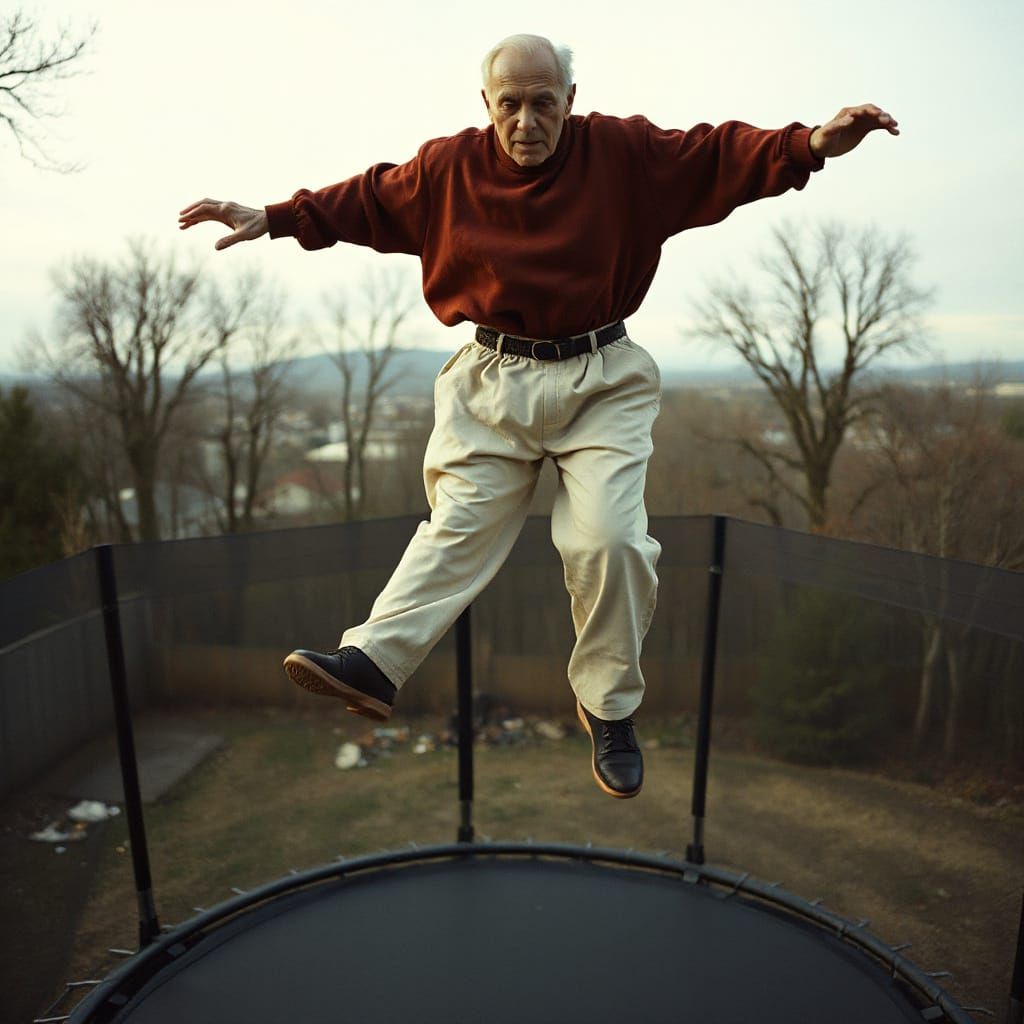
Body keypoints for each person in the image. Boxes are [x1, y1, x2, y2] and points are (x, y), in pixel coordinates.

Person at [179, 33, 899, 800]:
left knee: (611, 542)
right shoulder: (448, 169)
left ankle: (608, 706)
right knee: (459, 526)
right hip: (493, 378)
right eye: (510, 105)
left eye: (543, 103)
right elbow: (367, 198)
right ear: (486, 105)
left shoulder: (622, 154)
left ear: (570, 101)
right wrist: (278, 217)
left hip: (602, 379)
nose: (526, 121)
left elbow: (717, 155)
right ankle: (373, 664)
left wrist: (813, 143)